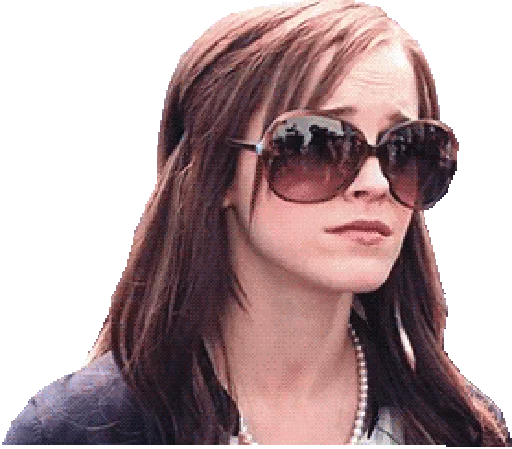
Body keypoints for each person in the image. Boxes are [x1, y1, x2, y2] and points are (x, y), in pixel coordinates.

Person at [3, 0, 510, 447]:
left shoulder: (459, 430)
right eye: (316, 144)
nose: (374, 183)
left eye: (407, 148)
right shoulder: (80, 432)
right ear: (217, 173)